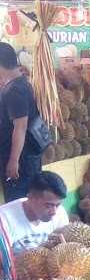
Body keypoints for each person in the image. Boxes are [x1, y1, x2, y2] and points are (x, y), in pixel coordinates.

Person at [0, 42, 42, 202]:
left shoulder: (15, 90)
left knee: (19, 203)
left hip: (22, 161)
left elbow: (20, 127)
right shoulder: (20, 84)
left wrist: (13, 160)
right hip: (28, 156)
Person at [0, 171, 68, 256]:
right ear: (30, 198)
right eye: (48, 205)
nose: (54, 212)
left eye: (57, 205)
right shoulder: (4, 219)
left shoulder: (60, 213)